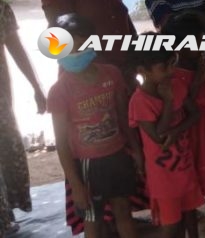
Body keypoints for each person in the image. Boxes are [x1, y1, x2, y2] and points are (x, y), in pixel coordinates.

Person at [47, 14, 142, 238]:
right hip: (87, 165)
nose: (75, 53)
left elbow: (123, 117)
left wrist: (137, 151)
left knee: (123, 212)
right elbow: (62, 142)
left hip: (117, 156)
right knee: (93, 220)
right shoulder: (59, 91)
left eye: (80, 46)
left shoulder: (112, 74)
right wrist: (76, 185)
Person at [162, 12, 205, 238]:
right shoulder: (173, 75)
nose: (201, 46)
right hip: (189, 138)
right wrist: (198, 80)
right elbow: (183, 107)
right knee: (189, 190)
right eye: (195, 42)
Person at [128, 35, 203, 238]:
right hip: (163, 178)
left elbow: (195, 114)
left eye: (172, 64)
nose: (171, 71)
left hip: (184, 168)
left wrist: (177, 130)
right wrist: (168, 102)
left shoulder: (176, 85)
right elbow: (159, 136)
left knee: (190, 215)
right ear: (143, 71)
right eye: (164, 67)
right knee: (171, 225)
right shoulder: (140, 101)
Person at [0, 0, 45, 235]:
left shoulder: (1, 10)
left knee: (6, 152)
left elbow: (17, 50)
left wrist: (37, 86)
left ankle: (4, 215)